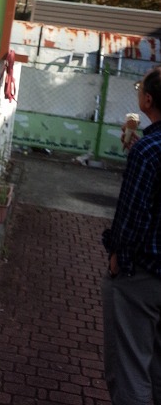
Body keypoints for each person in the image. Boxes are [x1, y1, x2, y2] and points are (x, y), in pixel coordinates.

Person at [102, 65, 161, 405]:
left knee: (130, 370)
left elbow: (132, 216)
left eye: (140, 89)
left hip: (143, 275)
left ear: (148, 100)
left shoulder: (148, 151)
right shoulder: (146, 148)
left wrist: (117, 261)